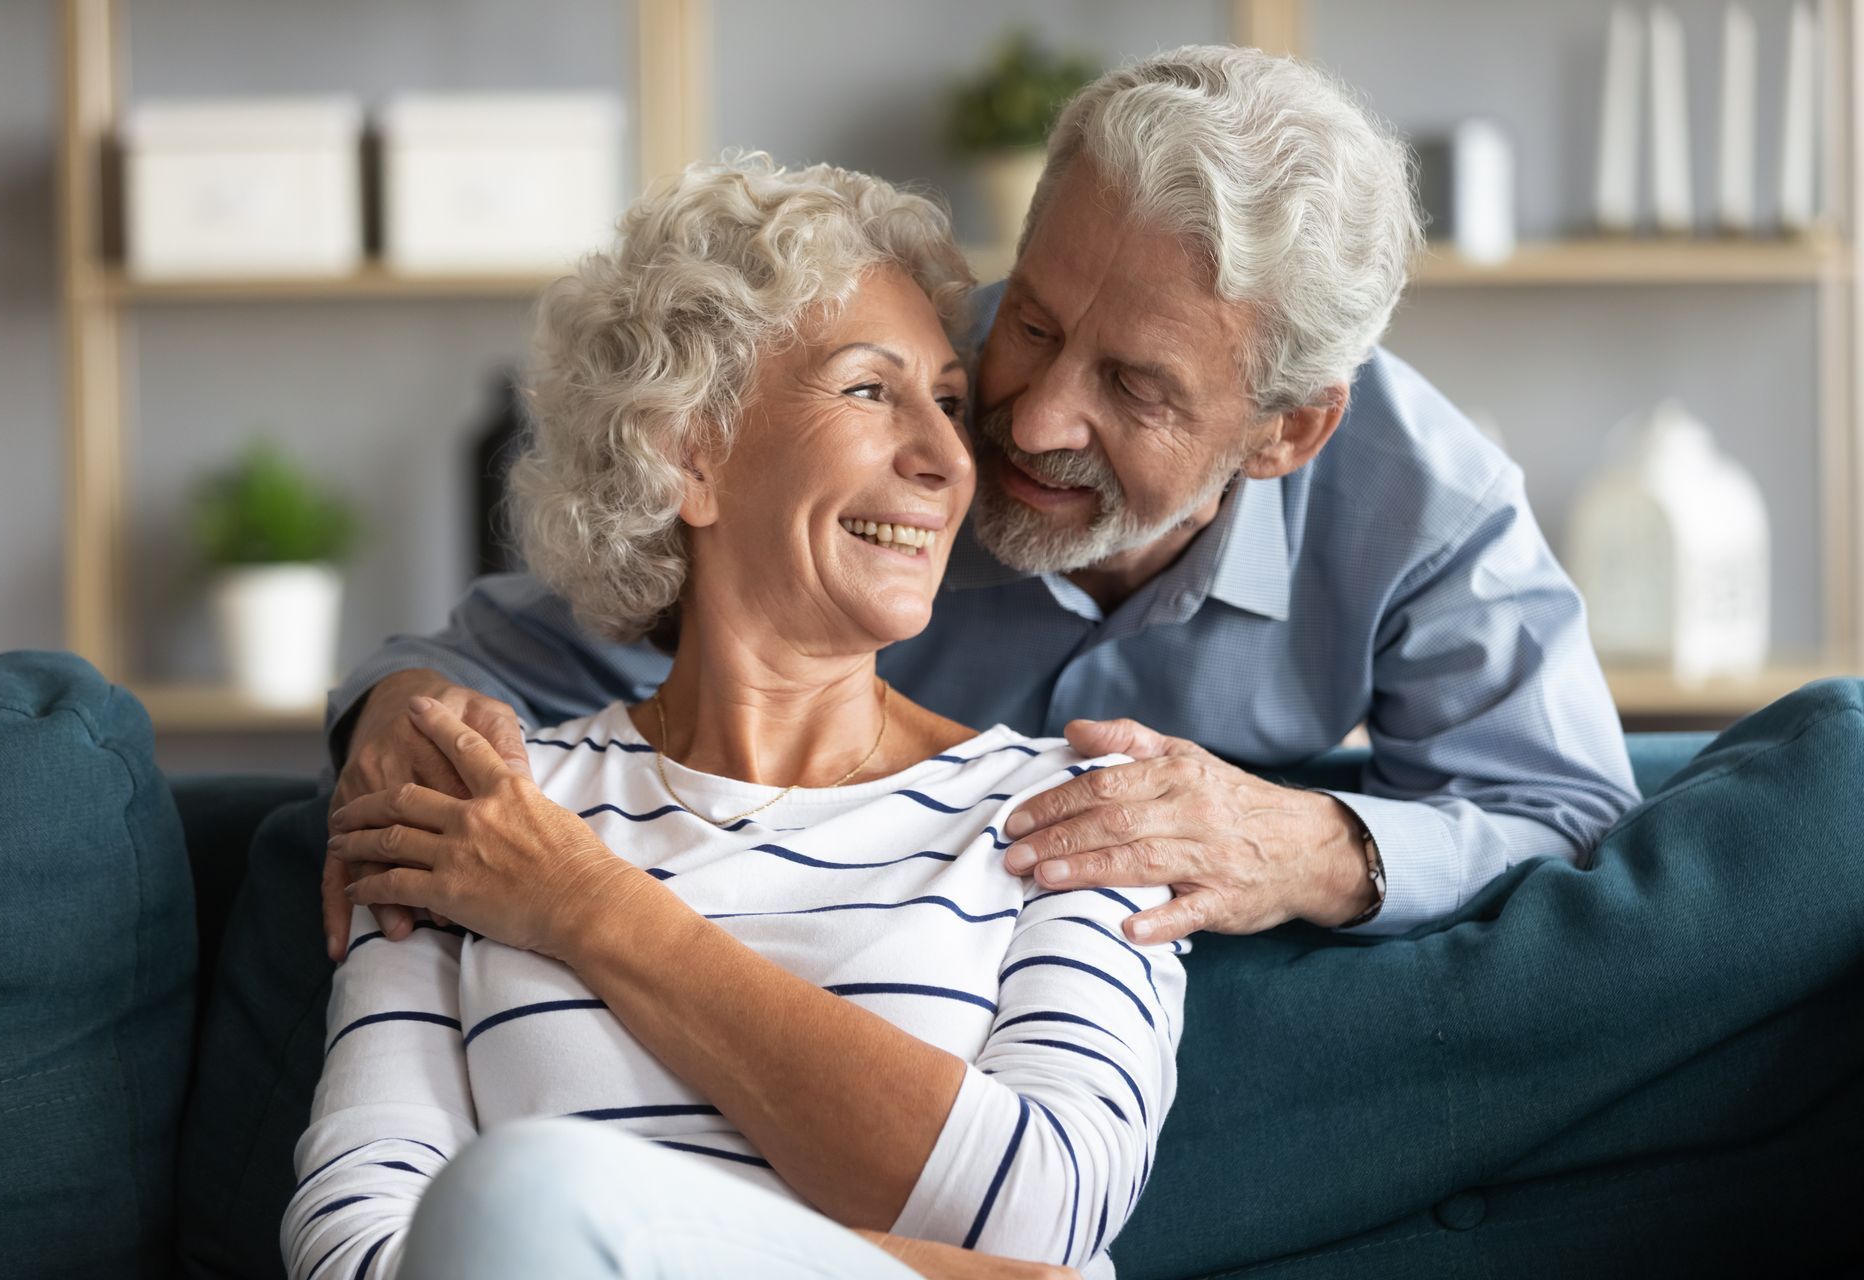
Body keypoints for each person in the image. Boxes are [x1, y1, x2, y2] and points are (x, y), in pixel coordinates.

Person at [320, 45, 1638, 963]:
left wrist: (1301, 847)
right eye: (1037, 320)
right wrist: (402, 720)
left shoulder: (1424, 502)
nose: (1032, 418)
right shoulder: (890, 432)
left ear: (1287, 429)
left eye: (1134, 384)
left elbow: (1571, 823)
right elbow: (494, 650)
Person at [285, 155, 1184, 1280]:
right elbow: (353, 1241)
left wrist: (580, 902)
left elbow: (1041, 1210)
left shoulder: (1074, 817)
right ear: (686, 454)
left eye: (951, 404)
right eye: (870, 389)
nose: (948, 458)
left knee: (526, 1189)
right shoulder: (478, 806)